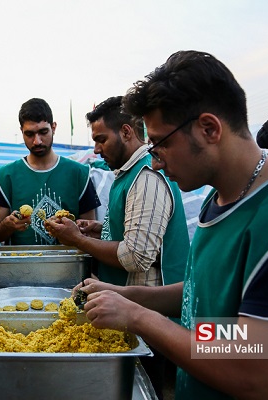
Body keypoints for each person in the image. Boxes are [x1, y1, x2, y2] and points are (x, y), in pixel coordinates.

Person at [76, 51, 268, 399]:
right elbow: (202, 291)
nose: (153, 158)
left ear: (209, 128)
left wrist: (139, 317)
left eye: (161, 143)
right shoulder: (221, 195)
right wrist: (124, 295)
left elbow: (256, 366)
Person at [47, 96, 190, 399]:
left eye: (101, 139)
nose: (97, 149)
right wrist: (99, 229)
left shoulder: (146, 177)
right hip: (131, 307)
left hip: (152, 319)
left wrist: (79, 240)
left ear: (126, 132)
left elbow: (136, 256)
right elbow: (138, 230)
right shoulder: (127, 174)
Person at [0, 98, 101, 245]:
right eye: (29, 134)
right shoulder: (5, 176)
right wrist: (6, 226)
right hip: (22, 265)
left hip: (69, 264)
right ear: (21, 132)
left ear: (53, 128)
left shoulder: (80, 174)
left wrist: (74, 231)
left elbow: (90, 231)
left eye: (43, 132)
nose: (37, 141)